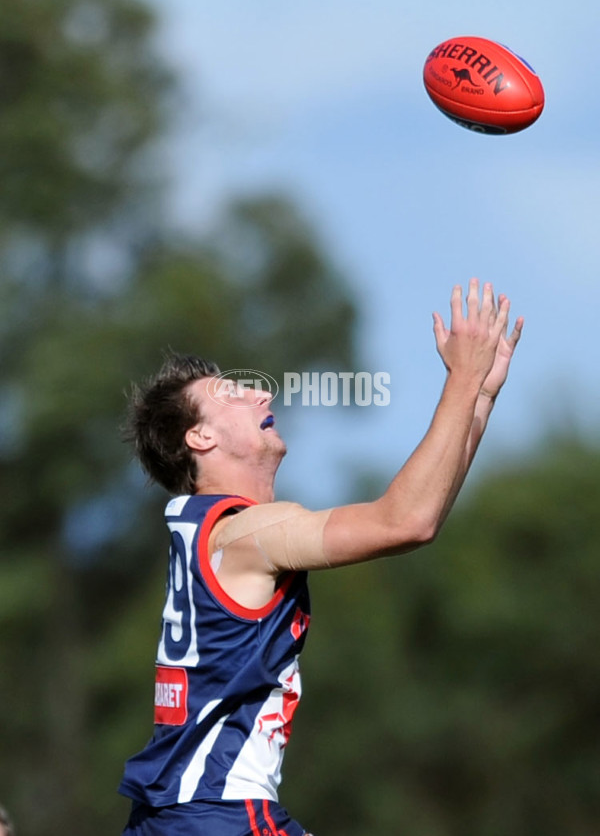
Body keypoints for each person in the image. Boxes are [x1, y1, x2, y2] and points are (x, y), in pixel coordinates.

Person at [119, 279, 523, 835]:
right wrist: (460, 380)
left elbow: (422, 510)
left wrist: (477, 397)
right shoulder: (246, 533)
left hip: (181, 817)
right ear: (200, 438)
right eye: (233, 395)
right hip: (221, 815)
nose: (261, 395)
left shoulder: (212, 530)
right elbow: (408, 521)